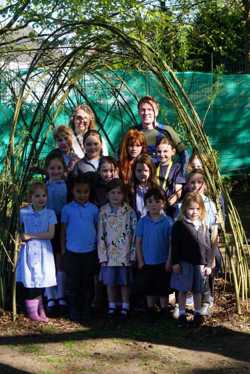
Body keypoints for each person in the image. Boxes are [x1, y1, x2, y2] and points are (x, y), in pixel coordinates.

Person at [170, 192, 214, 327]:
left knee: (198, 290)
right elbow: (175, 245)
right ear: (184, 209)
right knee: (183, 289)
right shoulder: (179, 225)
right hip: (184, 263)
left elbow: (207, 246)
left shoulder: (204, 225)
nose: (194, 212)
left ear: (201, 209)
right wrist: (175, 262)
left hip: (200, 264)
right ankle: (182, 313)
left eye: (197, 208)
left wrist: (208, 264)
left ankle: (197, 313)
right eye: (191, 208)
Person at [16, 182, 57, 322]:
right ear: (30, 197)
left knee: (41, 279)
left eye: (44, 195)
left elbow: (50, 234)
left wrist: (31, 235)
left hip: (43, 251)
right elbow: (17, 230)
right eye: (37, 196)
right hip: (28, 251)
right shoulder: (23, 212)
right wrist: (20, 236)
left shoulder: (50, 213)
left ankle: (41, 309)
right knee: (31, 278)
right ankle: (33, 312)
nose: (41, 199)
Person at [61, 175, 99, 322]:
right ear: (73, 191)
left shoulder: (94, 209)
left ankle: (86, 309)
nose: (82, 195)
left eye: (85, 192)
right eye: (79, 191)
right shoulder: (67, 209)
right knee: (73, 283)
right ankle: (74, 310)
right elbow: (63, 230)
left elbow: (97, 228)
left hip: (89, 252)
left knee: (88, 282)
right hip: (72, 252)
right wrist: (64, 249)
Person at [98, 179, 137, 317]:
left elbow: (134, 234)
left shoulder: (129, 212)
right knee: (110, 282)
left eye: (119, 193)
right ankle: (112, 304)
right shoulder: (103, 211)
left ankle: (125, 305)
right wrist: (102, 256)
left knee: (124, 282)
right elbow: (100, 235)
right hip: (109, 255)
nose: (116, 196)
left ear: (124, 195)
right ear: (107, 194)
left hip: (124, 255)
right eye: (112, 193)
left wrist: (133, 254)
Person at [135, 187, 173, 316]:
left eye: (157, 201)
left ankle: (164, 309)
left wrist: (169, 260)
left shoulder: (168, 222)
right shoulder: (142, 221)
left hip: (163, 261)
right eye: (150, 201)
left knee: (163, 287)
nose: (153, 205)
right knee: (149, 287)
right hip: (147, 262)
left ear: (163, 203)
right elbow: (138, 242)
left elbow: (172, 243)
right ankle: (150, 309)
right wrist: (140, 260)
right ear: (146, 204)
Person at [44, 153, 68, 316]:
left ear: (64, 169)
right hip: (48, 223)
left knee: (60, 257)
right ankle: (49, 295)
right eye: (52, 168)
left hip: (62, 223)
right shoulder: (44, 187)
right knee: (48, 258)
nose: (55, 171)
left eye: (59, 168)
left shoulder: (67, 185)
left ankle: (61, 294)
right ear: (47, 170)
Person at [137, 96, 188, 169]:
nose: (146, 113)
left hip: (165, 176)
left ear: (156, 112)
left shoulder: (166, 131)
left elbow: (183, 153)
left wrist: (181, 174)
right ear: (138, 112)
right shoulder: (134, 132)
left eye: (150, 109)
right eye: (143, 110)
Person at [156, 136, 186, 219]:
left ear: (173, 152)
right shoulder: (153, 167)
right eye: (159, 151)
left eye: (165, 151)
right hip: (155, 207)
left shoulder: (177, 167)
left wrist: (166, 205)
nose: (162, 154)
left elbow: (178, 192)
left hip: (171, 209)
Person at [128, 154, 158, 218]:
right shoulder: (130, 189)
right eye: (139, 171)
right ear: (134, 171)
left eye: (146, 170)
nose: (142, 173)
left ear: (151, 171)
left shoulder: (156, 189)